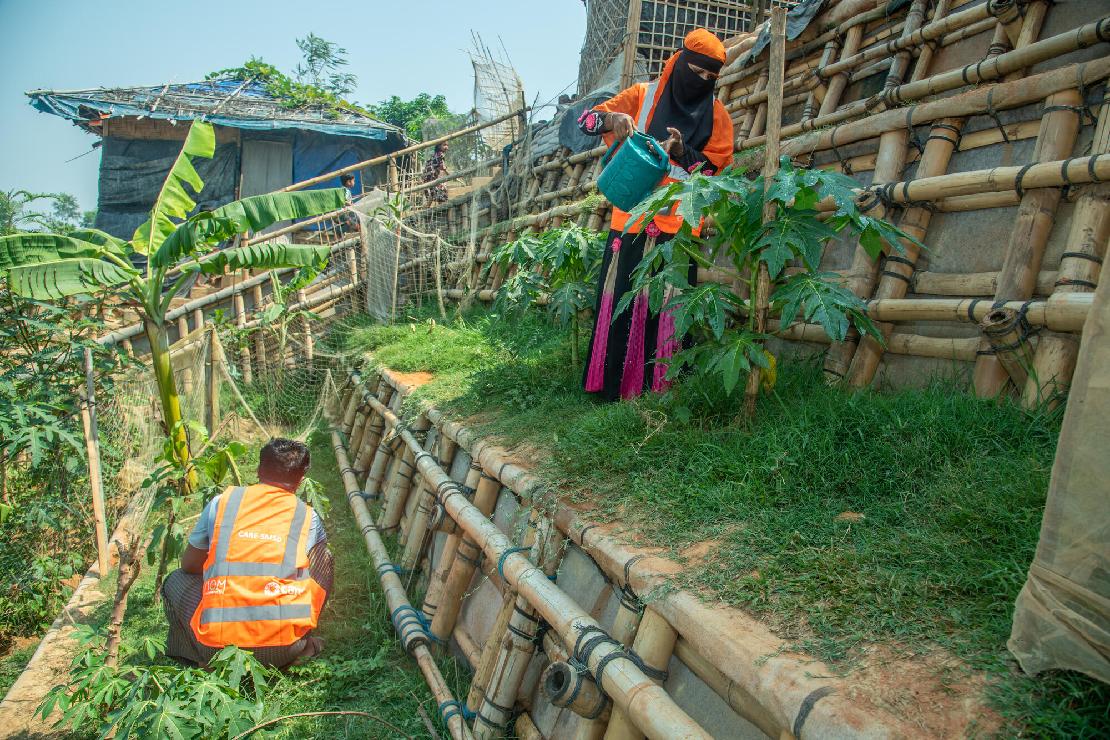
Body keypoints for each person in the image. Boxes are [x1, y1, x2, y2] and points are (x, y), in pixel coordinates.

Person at [578, 29, 735, 401]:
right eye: (696, 72)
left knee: (668, 307)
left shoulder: (717, 116)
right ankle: (613, 389)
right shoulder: (642, 96)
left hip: (679, 228)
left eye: (710, 77)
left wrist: (682, 152)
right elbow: (584, 122)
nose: (702, 82)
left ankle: (661, 391)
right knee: (622, 301)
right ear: (679, 63)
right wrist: (612, 120)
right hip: (631, 222)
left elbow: (715, 172)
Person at [161, 438, 333, 668]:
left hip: (217, 648)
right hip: (284, 646)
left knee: (175, 580)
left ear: (258, 470)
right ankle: (302, 643)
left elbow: (190, 564)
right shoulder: (308, 517)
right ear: (301, 479)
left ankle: (198, 657)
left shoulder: (221, 503)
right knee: (323, 558)